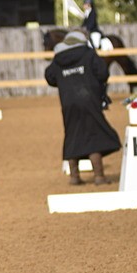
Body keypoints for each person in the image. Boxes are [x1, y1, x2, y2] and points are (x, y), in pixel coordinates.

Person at [45, 31, 121, 185]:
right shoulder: (88, 54)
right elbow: (102, 73)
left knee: (72, 135)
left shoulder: (58, 59)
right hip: (89, 100)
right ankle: (99, 176)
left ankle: (74, 177)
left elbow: (50, 77)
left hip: (68, 103)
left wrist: (65, 78)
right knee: (93, 135)